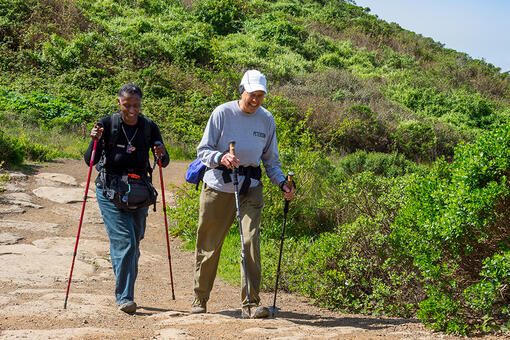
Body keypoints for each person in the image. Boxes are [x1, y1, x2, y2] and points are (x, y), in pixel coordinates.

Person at [191, 70, 294, 318]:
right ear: (242, 91)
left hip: (251, 188)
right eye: (252, 94)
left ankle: (250, 303)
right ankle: (200, 298)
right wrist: (221, 157)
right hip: (218, 187)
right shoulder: (222, 113)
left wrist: (282, 183)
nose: (256, 100)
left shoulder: (266, 120)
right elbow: (202, 150)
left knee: (250, 242)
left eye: (260, 96)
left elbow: (271, 161)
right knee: (209, 245)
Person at [84, 83, 169, 314]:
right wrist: (94, 141)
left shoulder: (149, 127)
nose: (132, 109)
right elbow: (89, 160)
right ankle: (125, 297)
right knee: (127, 242)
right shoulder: (107, 124)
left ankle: (124, 277)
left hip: (139, 191)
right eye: (127, 104)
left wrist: (161, 153)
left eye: (136, 105)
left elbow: (163, 162)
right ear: (119, 102)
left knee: (134, 241)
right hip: (109, 190)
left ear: (140, 104)